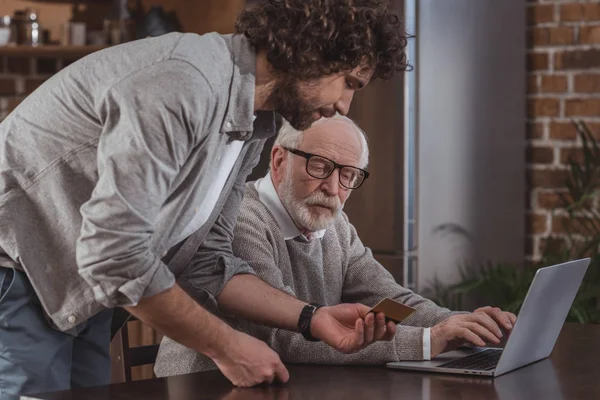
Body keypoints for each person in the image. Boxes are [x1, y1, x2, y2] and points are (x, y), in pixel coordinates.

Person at [0, 0, 409, 396]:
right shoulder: (183, 84)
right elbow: (116, 254)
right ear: (313, 52)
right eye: (349, 83)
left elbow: (208, 259)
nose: (343, 105)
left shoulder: (252, 120)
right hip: (20, 272)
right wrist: (228, 347)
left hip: (80, 286)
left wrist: (312, 318)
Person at [153, 115, 517, 375]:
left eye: (348, 175)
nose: (332, 188)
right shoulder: (241, 219)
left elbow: (390, 301)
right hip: (204, 386)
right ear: (279, 161)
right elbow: (283, 338)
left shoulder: (335, 223)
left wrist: (457, 324)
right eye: (319, 166)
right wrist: (427, 341)